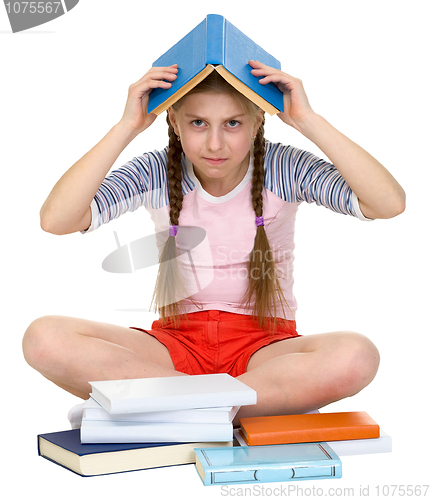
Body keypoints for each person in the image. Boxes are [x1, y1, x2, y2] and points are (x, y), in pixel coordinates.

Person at [22, 61, 405, 421]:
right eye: (199, 123)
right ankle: (229, 408)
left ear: (257, 123)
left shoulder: (282, 167)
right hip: (173, 348)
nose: (216, 145)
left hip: (265, 351)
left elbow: (387, 203)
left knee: (357, 356)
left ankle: (165, 406)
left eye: (233, 123)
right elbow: (57, 220)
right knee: (44, 338)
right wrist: (127, 126)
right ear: (174, 121)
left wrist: (308, 120)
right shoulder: (156, 171)